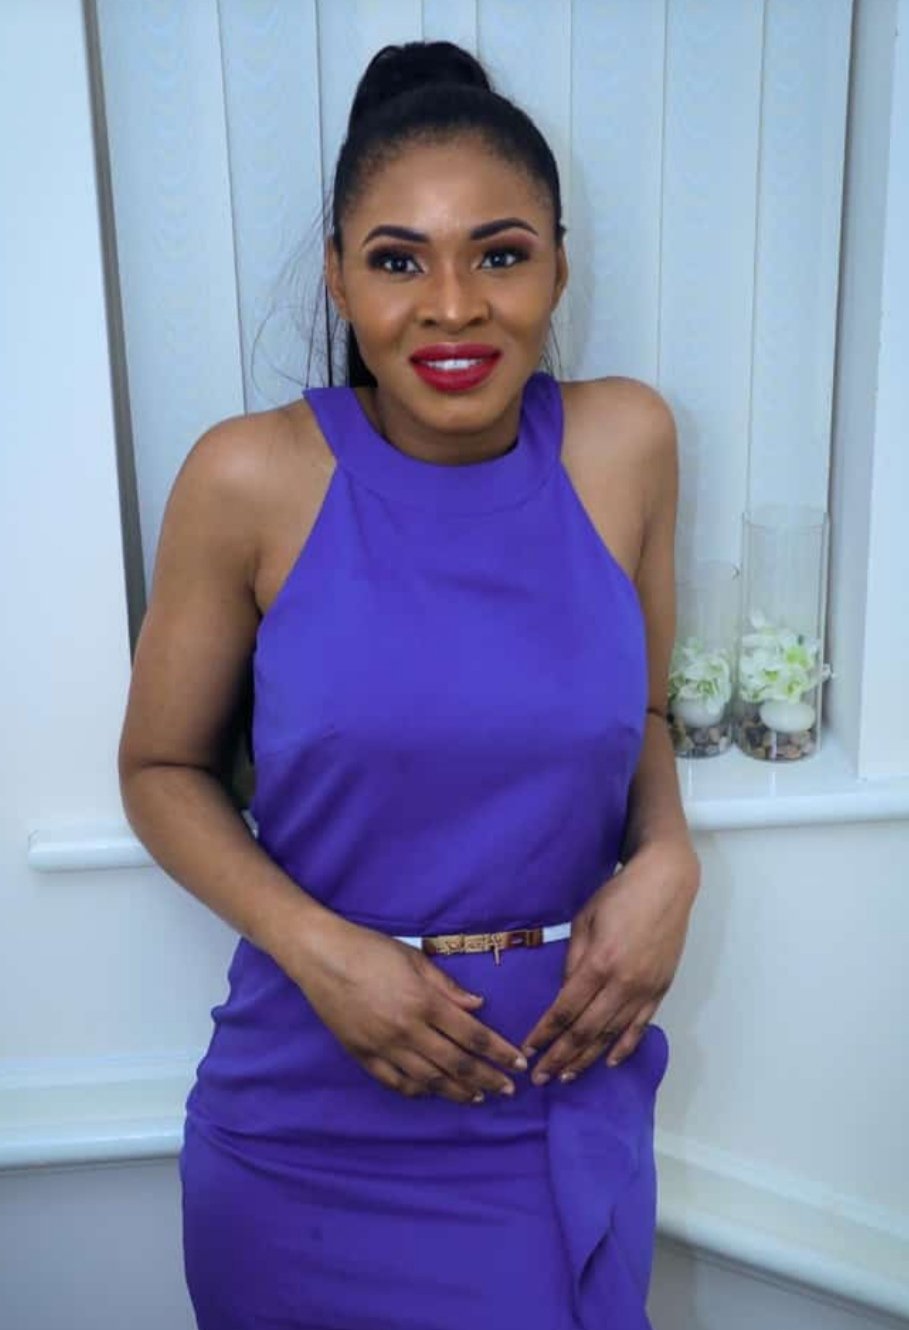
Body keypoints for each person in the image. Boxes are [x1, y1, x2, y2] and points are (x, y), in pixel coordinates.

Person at [118, 38, 700, 1330]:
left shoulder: (626, 446)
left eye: (499, 254)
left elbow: (644, 715)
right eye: (397, 261)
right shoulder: (247, 479)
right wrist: (322, 951)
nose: (451, 307)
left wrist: (667, 856)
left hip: (552, 1088)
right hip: (305, 1119)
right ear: (338, 276)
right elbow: (159, 769)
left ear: (558, 265)